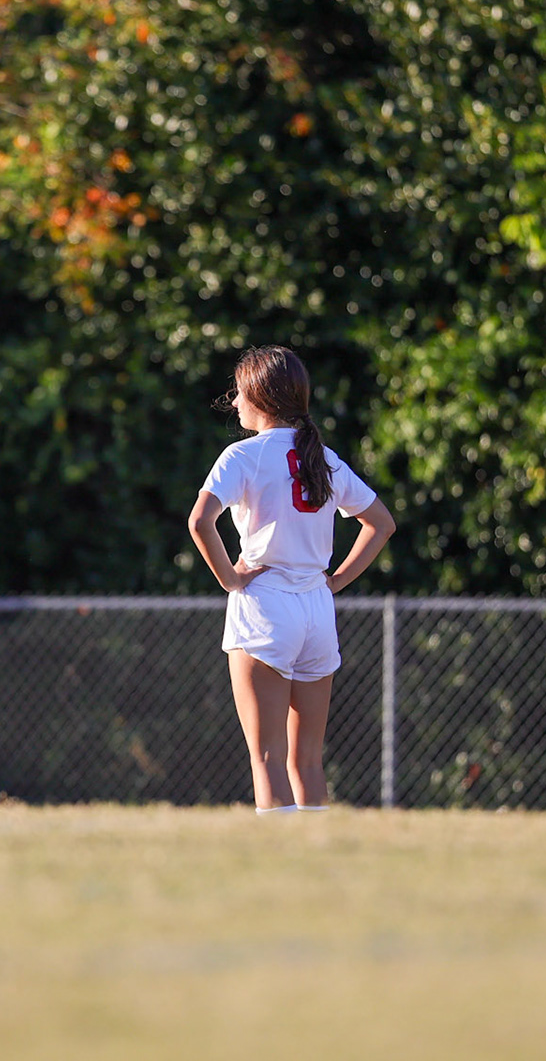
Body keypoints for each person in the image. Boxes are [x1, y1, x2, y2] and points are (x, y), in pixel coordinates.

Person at [187, 346, 395, 813]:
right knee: (308, 763)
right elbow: (381, 523)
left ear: (260, 396)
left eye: (238, 394)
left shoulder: (242, 455)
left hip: (265, 607)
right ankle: (316, 867)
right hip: (317, 612)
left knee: (268, 760)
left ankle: (278, 871)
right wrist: (335, 582)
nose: (234, 403)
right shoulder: (323, 457)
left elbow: (200, 521)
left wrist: (229, 579)